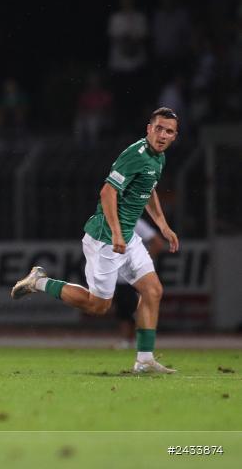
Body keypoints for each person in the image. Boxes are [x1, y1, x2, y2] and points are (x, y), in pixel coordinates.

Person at [11, 107, 180, 374]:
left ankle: (145, 360)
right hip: (105, 237)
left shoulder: (158, 159)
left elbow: (148, 190)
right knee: (98, 305)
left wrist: (162, 225)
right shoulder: (135, 155)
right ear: (149, 129)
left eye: (168, 131)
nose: (162, 134)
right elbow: (107, 192)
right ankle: (39, 282)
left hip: (127, 237)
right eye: (158, 128)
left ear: (174, 136)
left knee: (153, 290)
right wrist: (115, 231)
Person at [112, 218, 166, 349]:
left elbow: (158, 243)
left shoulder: (135, 222)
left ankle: (140, 342)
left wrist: (141, 262)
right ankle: (126, 341)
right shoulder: (108, 221)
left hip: (136, 276)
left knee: (139, 308)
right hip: (119, 276)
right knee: (124, 309)